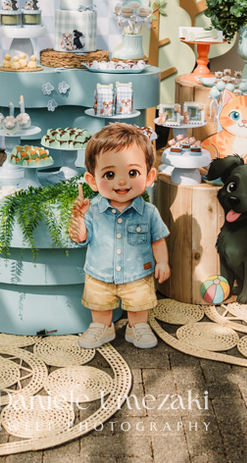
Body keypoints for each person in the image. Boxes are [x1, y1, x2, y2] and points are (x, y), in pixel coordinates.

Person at [69, 123, 169, 349]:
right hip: (99, 273)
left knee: (139, 302)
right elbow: (79, 237)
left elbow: (158, 239)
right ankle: (102, 326)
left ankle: (137, 326)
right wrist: (78, 217)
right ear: (92, 180)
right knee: (100, 303)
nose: (121, 182)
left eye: (133, 173)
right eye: (110, 174)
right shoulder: (92, 210)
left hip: (138, 273)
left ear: (149, 176)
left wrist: (162, 261)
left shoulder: (149, 212)